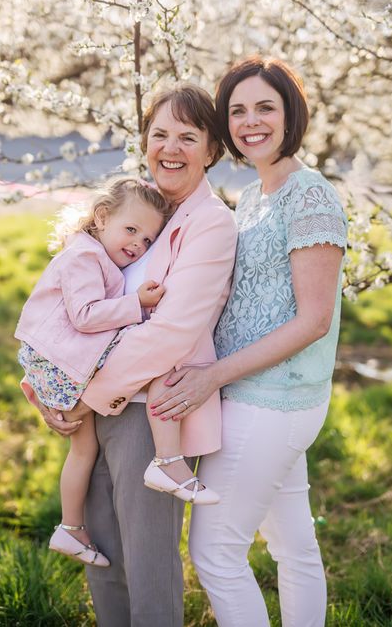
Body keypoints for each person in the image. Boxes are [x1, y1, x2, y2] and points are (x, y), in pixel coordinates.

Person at [21, 84, 238, 627]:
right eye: (160, 134)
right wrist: (55, 387)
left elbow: (172, 332)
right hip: (99, 402)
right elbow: (75, 309)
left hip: (146, 409)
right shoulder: (139, 207)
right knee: (106, 553)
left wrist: (80, 393)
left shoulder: (209, 222)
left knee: (148, 564)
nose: (171, 147)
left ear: (211, 149)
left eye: (188, 137)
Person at [151, 56, 348, 627]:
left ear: (291, 113)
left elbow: (313, 320)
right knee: (293, 548)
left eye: (265, 107)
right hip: (263, 398)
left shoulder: (308, 196)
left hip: (271, 400)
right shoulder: (259, 195)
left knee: (214, 554)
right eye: (237, 110)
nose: (250, 121)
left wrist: (213, 375)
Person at [15, 177, 171, 566]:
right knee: (152, 362)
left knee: (84, 448)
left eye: (148, 240)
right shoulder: (84, 256)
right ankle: (169, 460)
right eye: (131, 230)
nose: (138, 244)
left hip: (57, 358)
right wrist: (136, 305)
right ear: (102, 217)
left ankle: (70, 529)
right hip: (57, 359)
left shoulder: (96, 254)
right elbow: (84, 316)